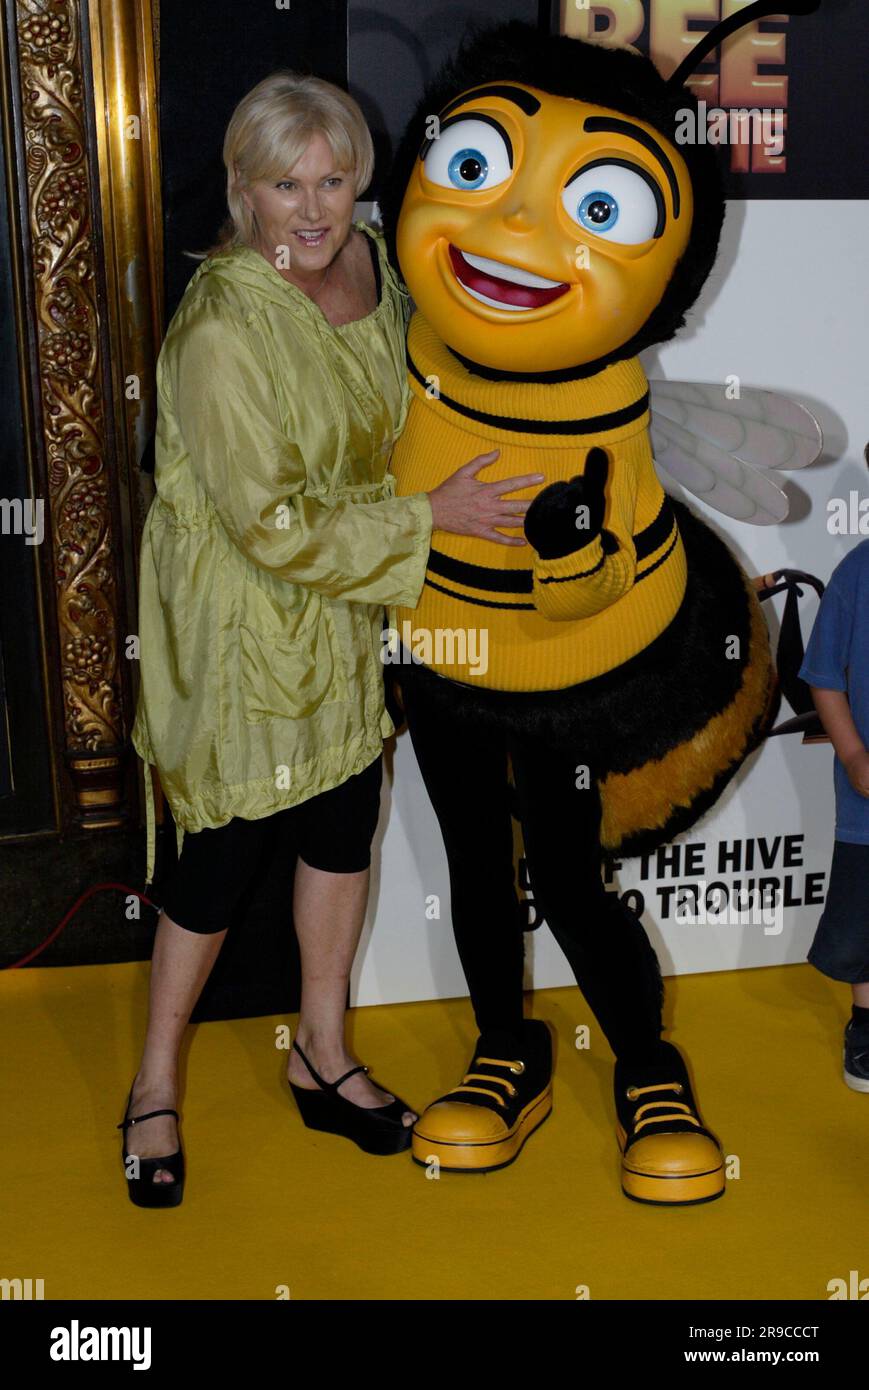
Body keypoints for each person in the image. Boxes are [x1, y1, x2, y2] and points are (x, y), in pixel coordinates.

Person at [121, 70, 540, 1207]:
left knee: (340, 825)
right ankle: (154, 1079)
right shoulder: (221, 326)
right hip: (248, 613)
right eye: (281, 184)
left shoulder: (372, 267)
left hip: (354, 607)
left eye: (333, 179)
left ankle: (320, 1049)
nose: (311, 210)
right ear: (242, 191)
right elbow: (264, 524)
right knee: (220, 853)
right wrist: (427, 520)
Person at [799, 537, 869, 1092]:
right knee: (861, 929)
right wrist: (852, 755)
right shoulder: (856, 572)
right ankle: (866, 1026)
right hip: (868, 806)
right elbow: (824, 675)